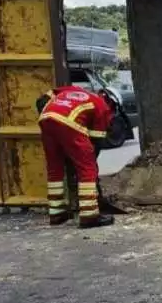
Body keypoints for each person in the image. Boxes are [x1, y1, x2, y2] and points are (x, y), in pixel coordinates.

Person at [35, 85, 114, 227]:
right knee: (87, 168)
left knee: (55, 168)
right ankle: (89, 215)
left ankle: (56, 213)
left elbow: (42, 99)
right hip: (68, 121)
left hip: (46, 118)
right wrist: (88, 164)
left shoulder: (72, 90)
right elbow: (96, 142)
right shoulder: (103, 107)